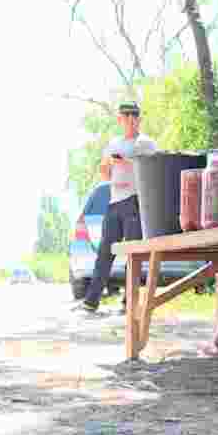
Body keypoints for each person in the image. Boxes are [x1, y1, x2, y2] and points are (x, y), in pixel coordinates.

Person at [77, 101, 158, 316]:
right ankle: (91, 302)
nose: (129, 121)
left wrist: (127, 162)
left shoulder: (146, 143)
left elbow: (153, 171)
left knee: (133, 254)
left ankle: (129, 303)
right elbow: (105, 175)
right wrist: (107, 166)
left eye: (133, 116)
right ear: (120, 119)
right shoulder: (113, 143)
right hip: (114, 202)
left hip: (135, 201)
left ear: (138, 119)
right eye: (125, 117)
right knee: (105, 252)